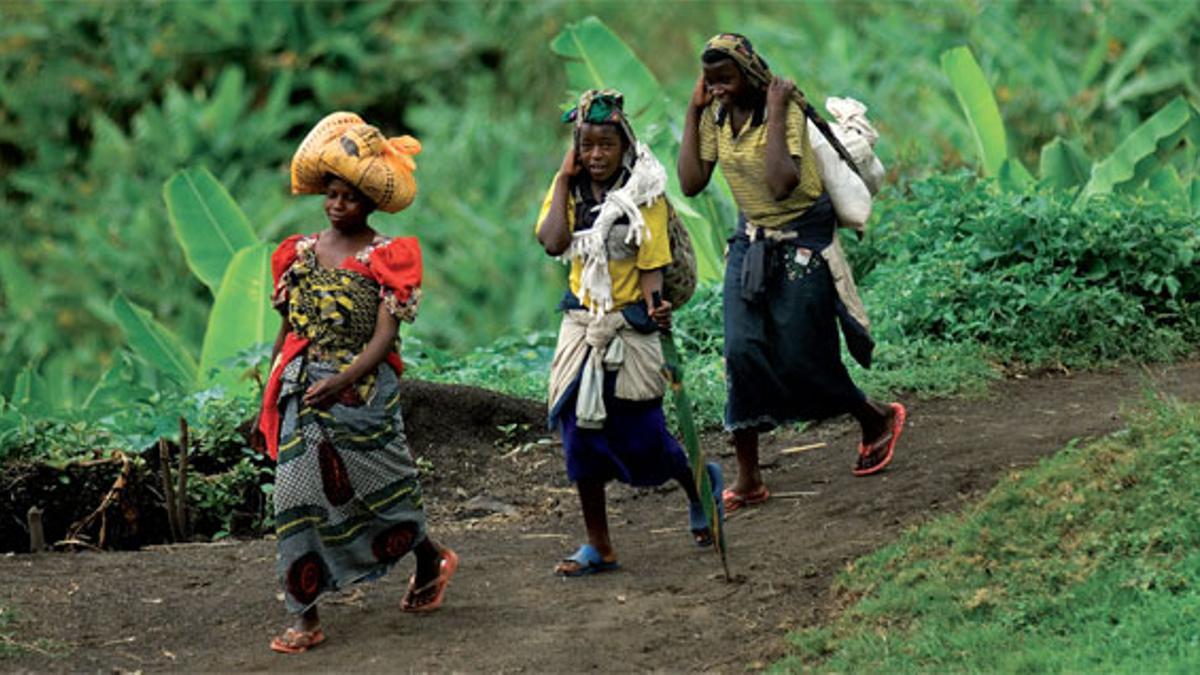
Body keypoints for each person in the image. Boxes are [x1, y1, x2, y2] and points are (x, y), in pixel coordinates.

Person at [677, 34, 906, 512]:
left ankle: (875, 417)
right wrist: (692, 112)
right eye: (710, 81)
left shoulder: (787, 114)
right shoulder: (716, 116)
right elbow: (691, 182)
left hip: (802, 239)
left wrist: (778, 111)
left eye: (726, 79)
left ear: (750, 75)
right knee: (741, 352)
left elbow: (781, 184)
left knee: (802, 357)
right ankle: (749, 477)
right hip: (750, 242)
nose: (717, 88)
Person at [258, 112, 457, 653]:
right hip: (304, 388)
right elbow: (288, 328)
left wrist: (340, 379)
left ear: (368, 201)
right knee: (294, 500)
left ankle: (429, 557)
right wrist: (272, 388)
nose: (336, 204)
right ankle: (305, 617)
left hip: (362, 396)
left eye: (348, 196)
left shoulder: (386, 259)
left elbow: (383, 343)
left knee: (384, 495)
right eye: (330, 193)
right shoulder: (299, 255)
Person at [536, 90, 723, 576]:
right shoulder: (570, 192)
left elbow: (651, 263)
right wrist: (561, 177)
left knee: (643, 435)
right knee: (578, 437)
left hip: (629, 324)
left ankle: (699, 483)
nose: (596, 156)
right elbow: (553, 241)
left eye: (606, 146)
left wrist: (655, 308)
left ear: (625, 147)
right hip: (581, 325)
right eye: (587, 146)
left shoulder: (646, 193)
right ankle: (600, 545)